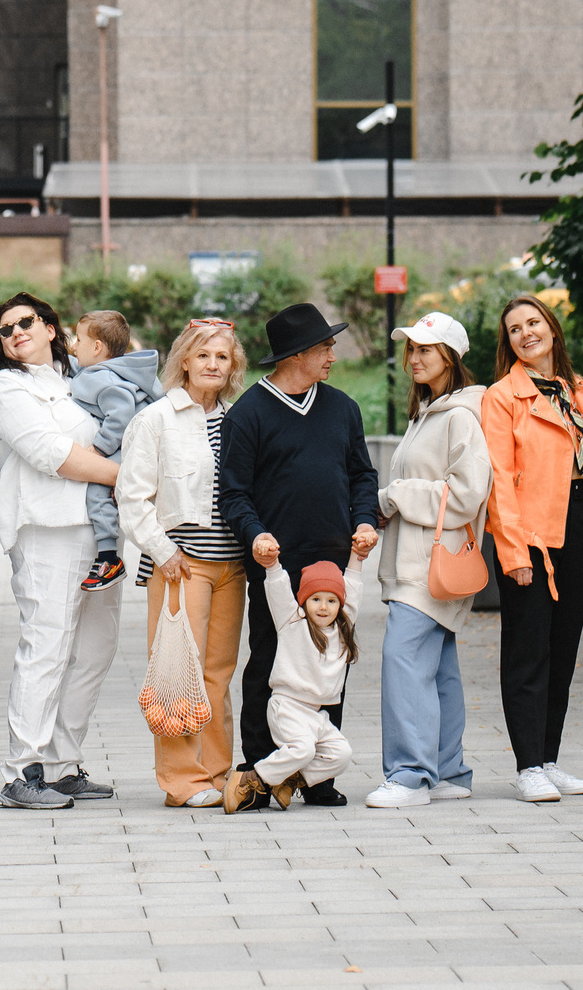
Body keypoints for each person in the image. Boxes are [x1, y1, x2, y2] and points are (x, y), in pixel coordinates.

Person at [218, 302, 379, 812]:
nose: (333, 353)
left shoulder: (343, 408)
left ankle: (317, 775)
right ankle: (260, 768)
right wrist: (256, 534)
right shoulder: (249, 414)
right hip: (276, 563)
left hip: (334, 557)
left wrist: (365, 519)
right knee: (269, 659)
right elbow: (234, 493)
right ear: (297, 354)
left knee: (332, 659)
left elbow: (362, 476)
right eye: (326, 346)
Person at [0, 291, 124, 810]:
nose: (16, 332)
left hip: (102, 532)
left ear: (49, 327)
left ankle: (63, 765)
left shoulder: (82, 380)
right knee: (47, 645)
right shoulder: (6, 387)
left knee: (94, 649)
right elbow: (51, 454)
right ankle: (22, 771)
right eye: (5, 330)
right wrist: (128, 478)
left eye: (26, 322)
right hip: (45, 528)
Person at [116, 317, 253, 807]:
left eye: (222, 356)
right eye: (203, 355)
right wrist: (163, 550)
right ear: (185, 363)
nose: (213, 364)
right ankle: (182, 781)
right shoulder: (157, 420)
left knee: (218, 672)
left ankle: (216, 774)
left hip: (231, 565)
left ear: (232, 365)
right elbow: (131, 497)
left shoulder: (238, 417)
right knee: (179, 670)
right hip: (182, 564)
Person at [482, 292, 583, 803]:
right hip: (530, 534)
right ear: (508, 342)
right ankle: (527, 765)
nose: (525, 333)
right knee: (527, 649)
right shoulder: (502, 396)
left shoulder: (574, 391)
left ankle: (549, 758)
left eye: (533, 322)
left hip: (578, 525)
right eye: (514, 329)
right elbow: (498, 479)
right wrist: (513, 553)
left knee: (563, 648)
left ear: (552, 329)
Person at [366, 310, 491, 809]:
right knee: (437, 667)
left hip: (427, 565)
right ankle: (449, 770)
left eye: (426, 350)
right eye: (412, 349)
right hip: (420, 561)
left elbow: (467, 493)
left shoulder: (460, 416)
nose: (415, 358)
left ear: (451, 357)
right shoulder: (431, 412)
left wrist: (395, 495)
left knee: (402, 661)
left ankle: (411, 775)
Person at [66, 310, 160, 591]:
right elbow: (75, 366)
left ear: (96, 348)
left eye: (79, 340)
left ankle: (109, 558)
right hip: (142, 442)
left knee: (98, 490)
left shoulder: (101, 378)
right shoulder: (110, 369)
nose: (73, 345)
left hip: (129, 443)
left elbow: (120, 413)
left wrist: (98, 448)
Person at [251, 560, 356, 808]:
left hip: (316, 714)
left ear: (340, 605)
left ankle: (290, 781)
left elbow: (355, 590)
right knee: (304, 750)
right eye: (315, 599)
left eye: (331, 601)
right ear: (304, 601)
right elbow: (277, 589)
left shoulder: (342, 630)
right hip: (287, 706)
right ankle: (255, 778)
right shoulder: (292, 622)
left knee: (342, 754)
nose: (323, 607)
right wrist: (272, 564)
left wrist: (357, 559)